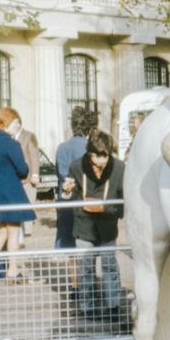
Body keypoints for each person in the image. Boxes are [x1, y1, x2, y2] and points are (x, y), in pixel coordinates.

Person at [62, 129, 124, 318]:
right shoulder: (76, 167)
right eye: (96, 164)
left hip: (107, 227)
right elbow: (71, 199)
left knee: (110, 266)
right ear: (89, 155)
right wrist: (67, 192)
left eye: (104, 164)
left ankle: (113, 306)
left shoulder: (120, 168)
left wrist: (104, 208)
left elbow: (123, 203)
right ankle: (87, 308)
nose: (100, 169)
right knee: (85, 268)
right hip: (84, 227)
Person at [0, 107, 35, 285]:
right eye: (15, 122)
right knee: (13, 232)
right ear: (7, 123)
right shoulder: (12, 144)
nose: (17, 125)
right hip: (10, 193)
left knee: (1, 231)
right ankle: (13, 271)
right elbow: (23, 169)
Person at [55, 106, 95, 250]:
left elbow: (61, 174)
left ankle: (72, 273)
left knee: (69, 245)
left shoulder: (62, 148)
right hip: (87, 200)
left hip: (67, 200)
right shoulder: (91, 148)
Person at [9, 108, 40, 237]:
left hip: (27, 177)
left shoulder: (29, 136)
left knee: (29, 201)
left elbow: (34, 155)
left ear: (18, 123)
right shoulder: (9, 136)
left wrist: (35, 174)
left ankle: (28, 229)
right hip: (14, 177)